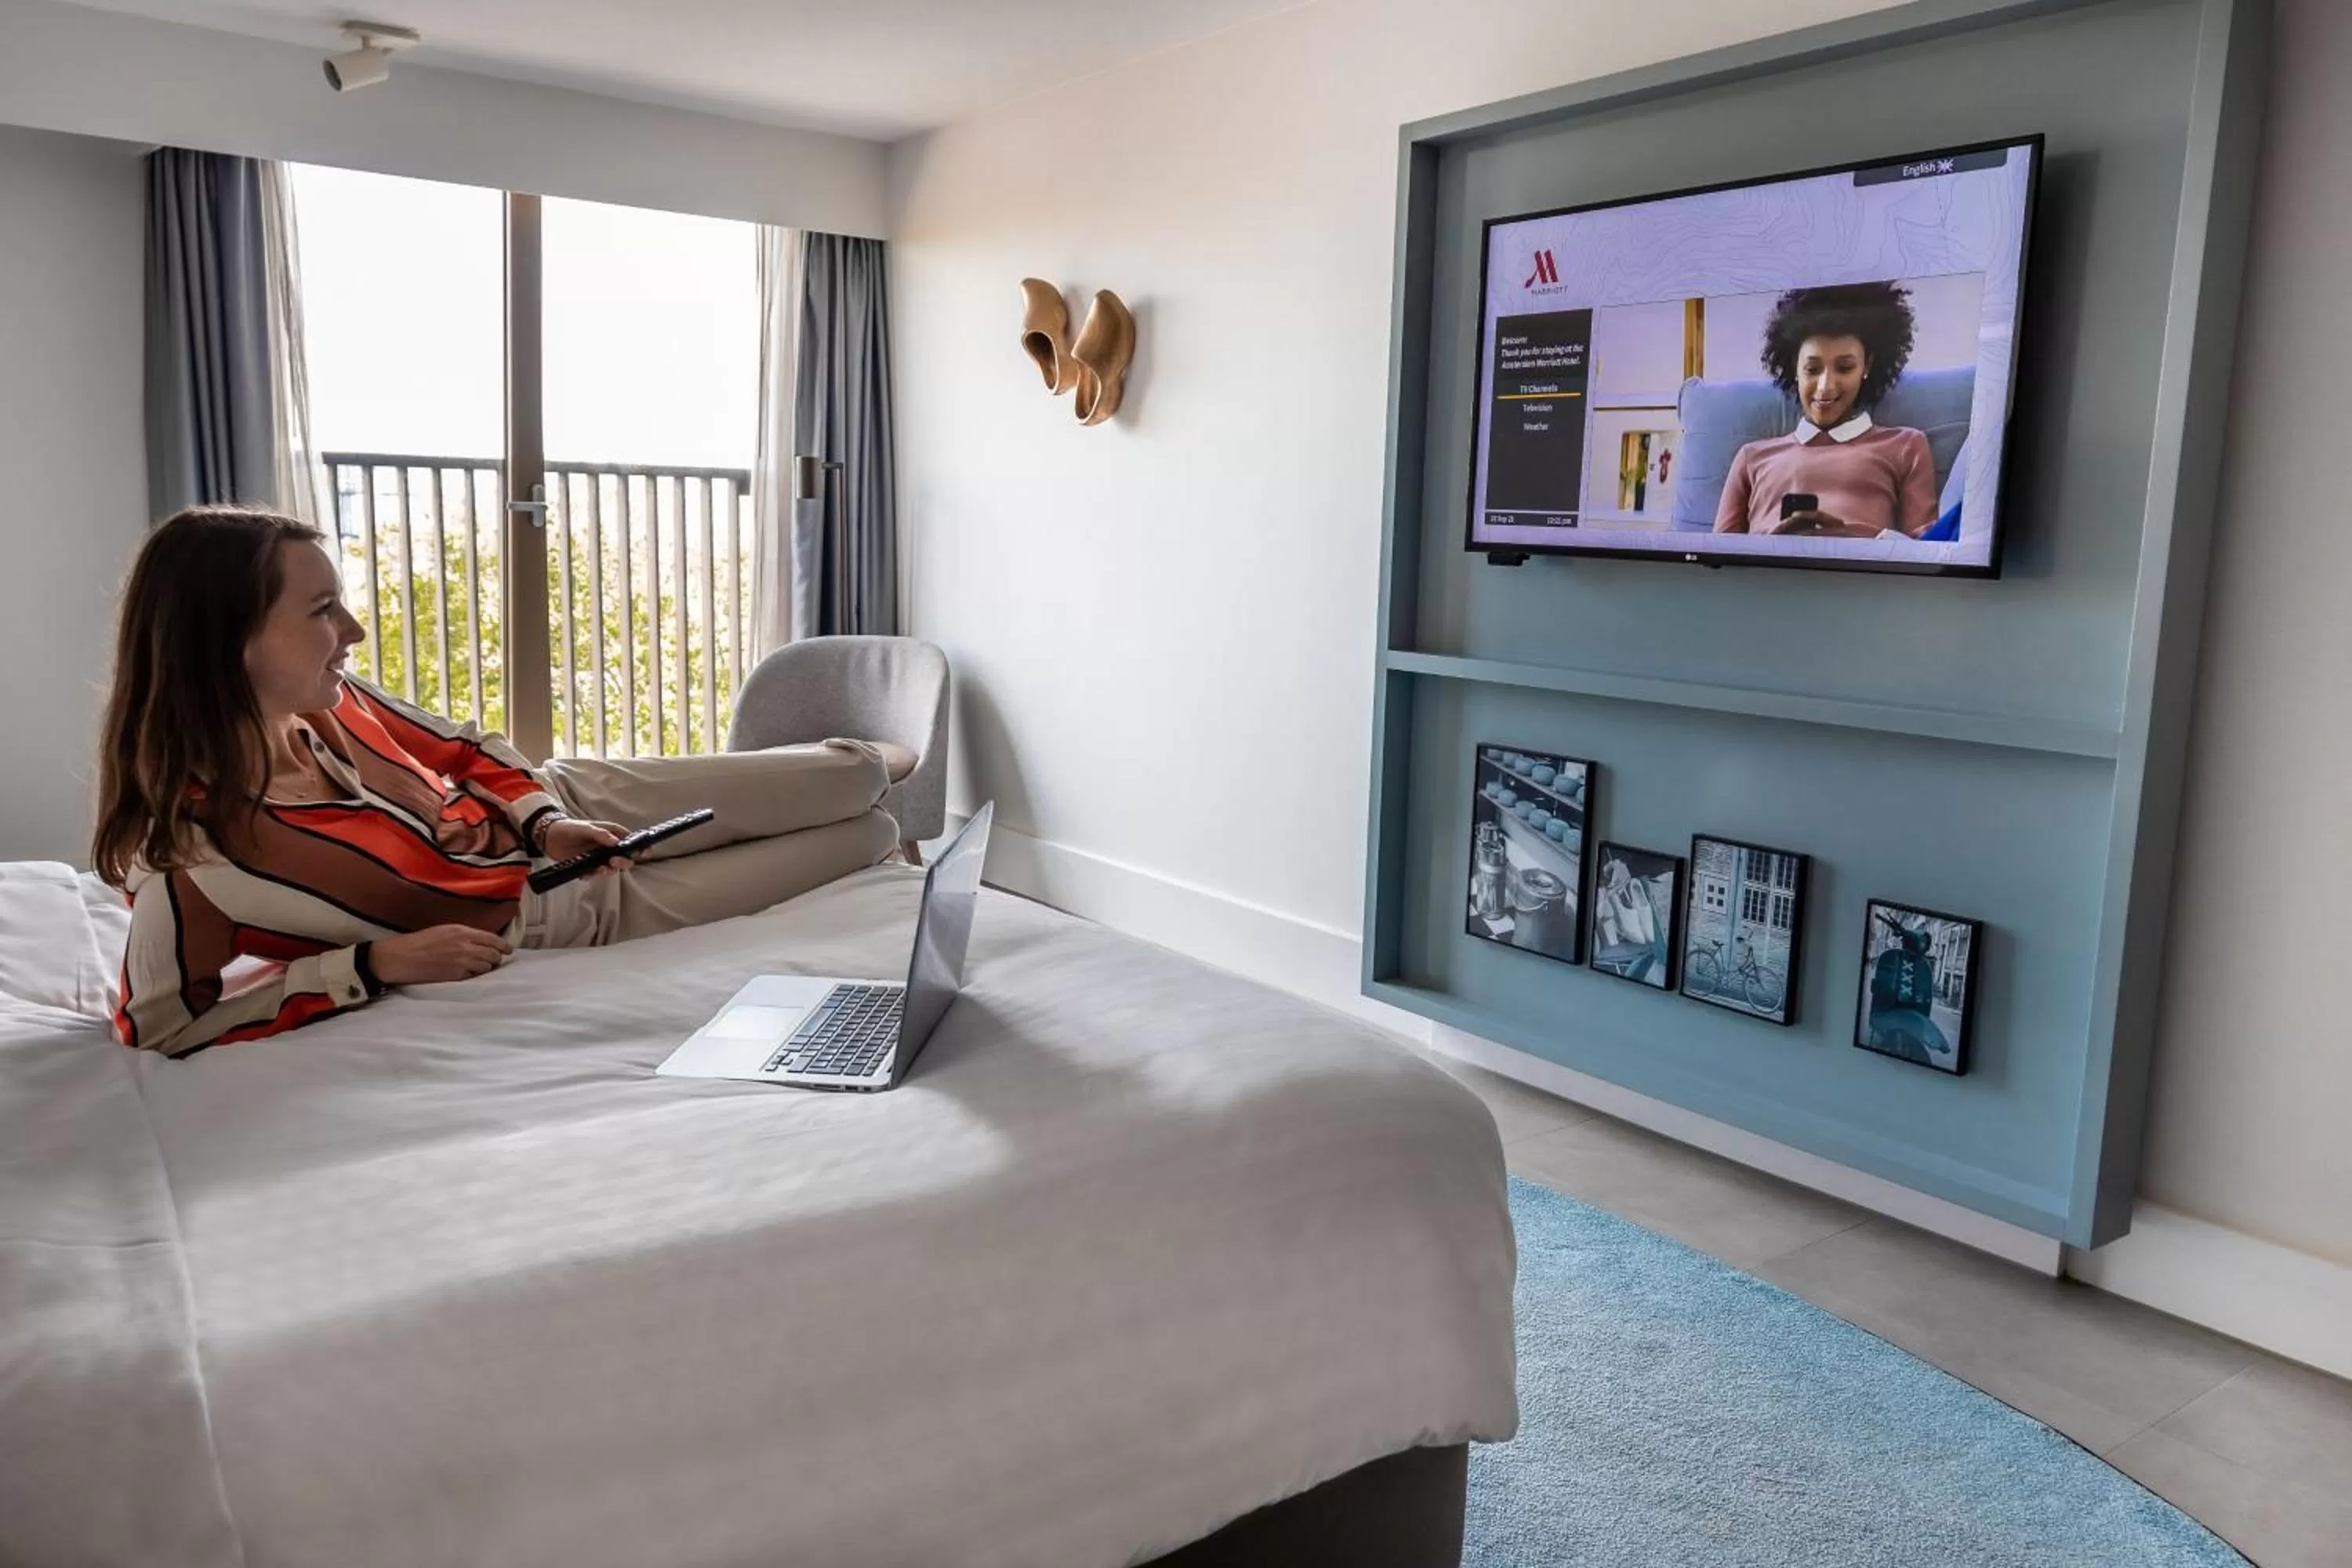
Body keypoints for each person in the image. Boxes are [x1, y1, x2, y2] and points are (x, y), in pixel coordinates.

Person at [93, 506, 898, 1058]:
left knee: (855, 776)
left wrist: (545, 821)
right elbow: (161, 1022)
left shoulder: (331, 703)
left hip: (573, 803)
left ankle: (882, 754)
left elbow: (468, 746)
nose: (354, 631)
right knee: (874, 835)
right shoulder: (196, 855)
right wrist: (372, 964)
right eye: (323, 610)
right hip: (559, 912)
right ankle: (879, 784)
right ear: (230, 642)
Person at [1712, 281, 1940, 539]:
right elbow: (1716, 562)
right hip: (1768, 577)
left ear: (1867, 366)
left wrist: (1853, 543)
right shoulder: (1751, 458)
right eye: (1812, 369)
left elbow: (1925, 548)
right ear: (1794, 367)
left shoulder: (1906, 445)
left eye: (1844, 368)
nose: (1825, 386)